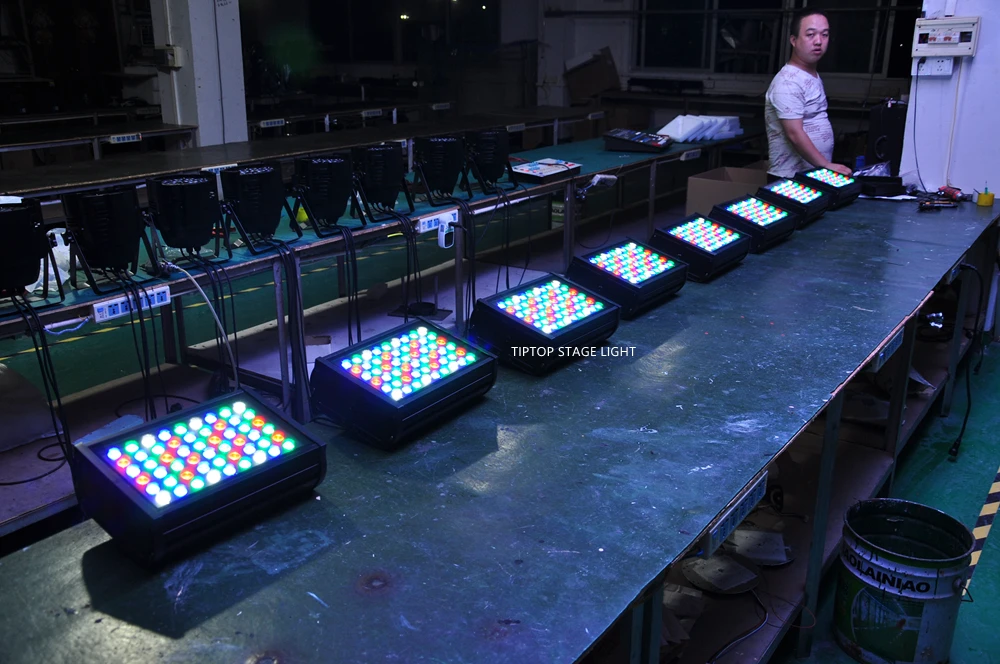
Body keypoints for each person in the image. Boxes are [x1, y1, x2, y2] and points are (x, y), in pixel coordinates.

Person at [764, 10, 852, 180]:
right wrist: (826, 165)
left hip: (811, 174)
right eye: (810, 35)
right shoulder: (787, 82)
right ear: (794, 40)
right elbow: (794, 133)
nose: (818, 41)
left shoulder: (810, 74)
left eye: (824, 35)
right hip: (789, 179)